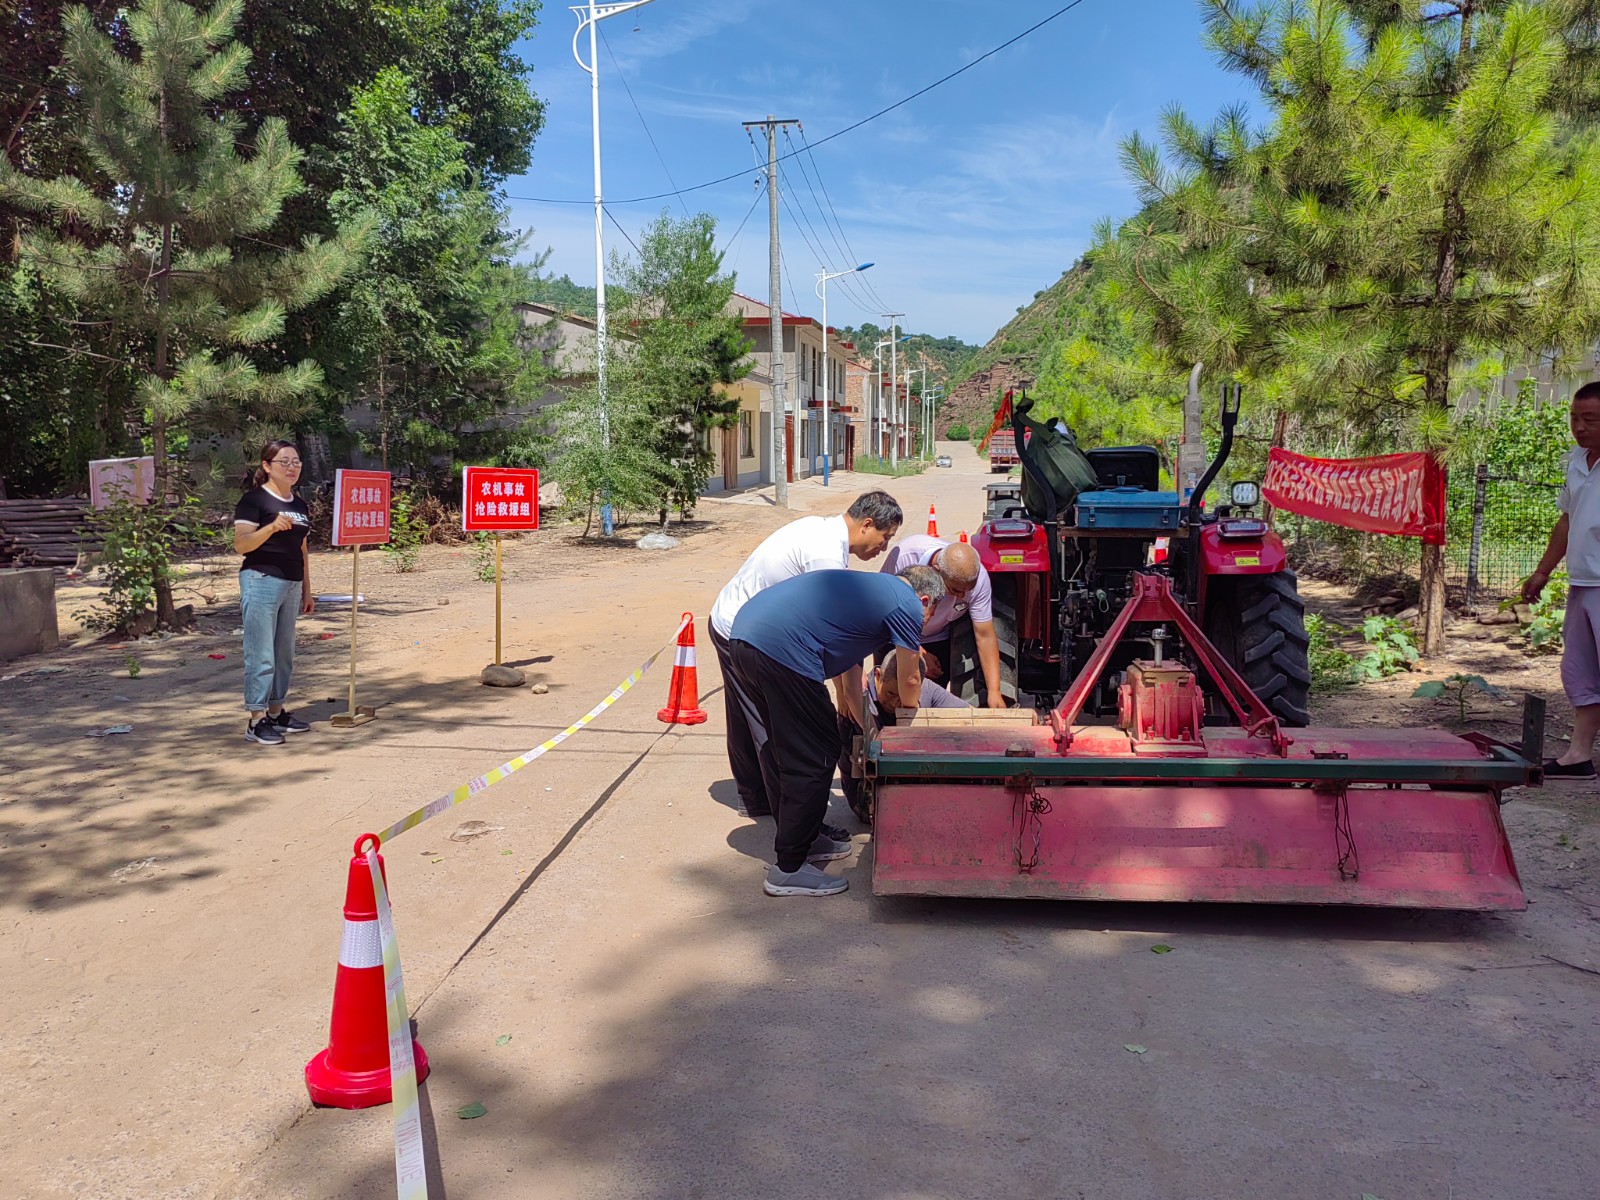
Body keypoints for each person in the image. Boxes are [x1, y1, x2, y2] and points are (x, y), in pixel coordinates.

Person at [727, 564, 946, 897]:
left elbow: (848, 676)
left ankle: (808, 837)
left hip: (745, 640)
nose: (926, 622)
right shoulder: (906, 603)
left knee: (793, 747)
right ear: (925, 598)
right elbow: (911, 678)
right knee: (815, 754)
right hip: (783, 652)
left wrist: (867, 726)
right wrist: (909, 724)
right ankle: (788, 869)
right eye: (931, 614)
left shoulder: (873, 592)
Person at [708, 490, 903, 818]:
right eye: (886, 537)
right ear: (867, 524)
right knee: (769, 723)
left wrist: (844, 691)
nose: (884, 546)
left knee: (746, 715)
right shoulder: (825, 555)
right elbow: (836, 631)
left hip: (736, 619)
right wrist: (848, 698)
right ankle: (780, 810)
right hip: (743, 630)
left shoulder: (824, 531)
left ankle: (754, 797)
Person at [1524, 382, 1600, 777]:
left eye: (1590, 420)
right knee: (1580, 672)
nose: (1579, 427)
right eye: (1574, 418)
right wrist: (1542, 570)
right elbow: (1567, 520)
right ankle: (1578, 756)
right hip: (1583, 583)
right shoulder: (1576, 459)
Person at [233, 440, 315, 746]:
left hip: (291, 584)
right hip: (261, 579)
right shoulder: (254, 501)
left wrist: (308, 590)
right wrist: (270, 528)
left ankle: (277, 711)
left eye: (296, 462)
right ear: (267, 466)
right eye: (284, 462)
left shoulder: (299, 504)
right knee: (261, 653)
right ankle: (256, 719)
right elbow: (241, 545)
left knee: (284, 653)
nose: (292, 468)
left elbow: (303, 548)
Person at [880, 534, 1008, 708]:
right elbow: (884, 613)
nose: (962, 597)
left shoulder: (978, 579)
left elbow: (984, 635)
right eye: (955, 589)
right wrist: (919, 652)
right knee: (889, 697)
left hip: (939, 637)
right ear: (936, 570)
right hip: (893, 635)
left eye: (967, 591)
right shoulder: (904, 557)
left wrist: (994, 691)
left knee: (926, 702)